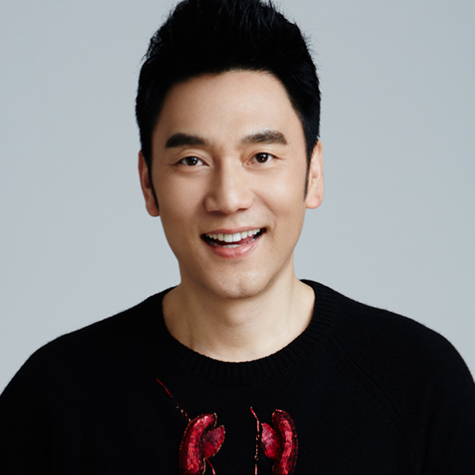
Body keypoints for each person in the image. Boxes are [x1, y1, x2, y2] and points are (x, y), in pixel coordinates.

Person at [1, 0, 474, 473]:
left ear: (313, 173)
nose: (228, 198)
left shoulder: (422, 384)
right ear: (148, 182)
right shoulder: (54, 399)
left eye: (261, 157)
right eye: (192, 160)